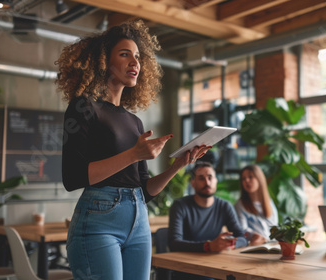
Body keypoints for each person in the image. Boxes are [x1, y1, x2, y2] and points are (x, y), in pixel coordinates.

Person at [56, 20, 210, 280]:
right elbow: (72, 178)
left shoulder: (134, 121)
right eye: (125, 54)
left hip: (139, 219)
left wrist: (177, 166)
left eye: (137, 57)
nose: (135, 63)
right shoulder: (83, 108)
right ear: (104, 61)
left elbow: (145, 190)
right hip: (98, 220)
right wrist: (134, 154)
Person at [168, 162, 247, 280]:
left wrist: (228, 244)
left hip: (217, 267)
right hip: (187, 270)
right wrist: (207, 246)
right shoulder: (180, 206)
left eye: (210, 177)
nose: (207, 182)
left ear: (216, 180)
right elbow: (174, 243)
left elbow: (242, 238)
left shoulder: (224, 206)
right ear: (193, 183)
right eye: (201, 178)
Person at [235, 164, 278, 246]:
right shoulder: (240, 205)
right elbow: (242, 230)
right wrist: (253, 235)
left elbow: (274, 227)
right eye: (243, 178)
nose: (246, 180)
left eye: (250, 177)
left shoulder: (269, 202)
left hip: (272, 245)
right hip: (254, 246)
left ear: (259, 179)